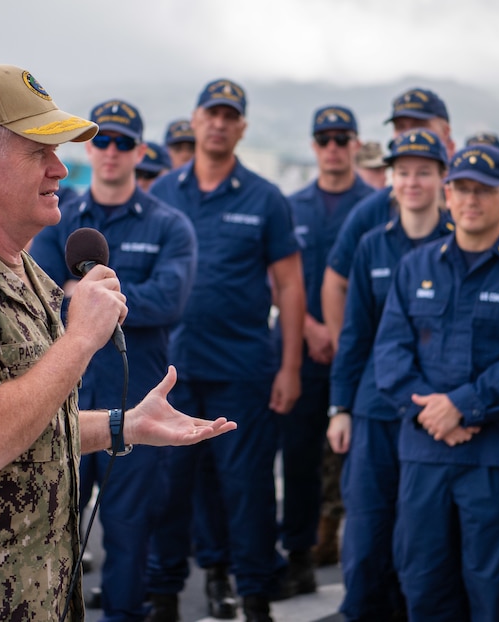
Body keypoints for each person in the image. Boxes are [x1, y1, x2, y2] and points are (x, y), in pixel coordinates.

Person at [0, 63, 235, 622]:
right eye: (39, 151)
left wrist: (123, 425)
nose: (61, 168)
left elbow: (27, 421)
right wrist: (82, 337)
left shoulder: (25, 273)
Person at [375, 145, 499, 620]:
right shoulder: (415, 268)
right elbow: (391, 353)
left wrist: (461, 405)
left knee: (496, 591)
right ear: (448, 195)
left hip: (497, 457)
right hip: (425, 453)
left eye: (484, 190)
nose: (471, 199)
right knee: (424, 584)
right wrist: (432, 414)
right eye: (461, 189)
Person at [30, 98, 197, 622]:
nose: (112, 152)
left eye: (125, 143)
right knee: (51, 526)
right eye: (103, 141)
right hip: (66, 397)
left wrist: (87, 297)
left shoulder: (170, 225)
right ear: (89, 148)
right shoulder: (59, 214)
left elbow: (170, 299)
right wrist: (118, 299)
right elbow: (36, 294)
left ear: (140, 152)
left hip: (135, 397)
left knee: (128, 530)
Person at [147, 78, 305, 622]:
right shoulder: (162, 193)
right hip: (173, 371)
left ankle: (255, 595)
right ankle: (165, 594)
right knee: (170, 490)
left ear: (241, 127)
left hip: (243, 370)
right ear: (194, 121)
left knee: (248, 490)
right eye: (209, 113)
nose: (218, 123)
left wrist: (289, 366)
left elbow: (289, 286)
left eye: (228, 115)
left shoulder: (265, 198)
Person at [327, 128, 453, 619]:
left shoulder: (458, 246)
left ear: (444, 177)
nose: (413, 181)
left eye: (424, 171)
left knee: (424, 539)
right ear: (390, 179)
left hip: (432, 414)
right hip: (374, 409)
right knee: (366, 533)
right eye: (403, 172)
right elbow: (354, 336)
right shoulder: (371, 247)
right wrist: (340, 408)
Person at [279, 105, 375, 594]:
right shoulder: (291, 206)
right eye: (325, 139)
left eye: (343, 138)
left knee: (361, 462)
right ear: (315, 147)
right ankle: (298, 553)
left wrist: (343, 335)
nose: (334, 148)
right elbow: (279, 279)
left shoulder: (377, 204)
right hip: (303, 349)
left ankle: (363, 554)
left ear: (356, 144)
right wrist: (314, 327)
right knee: (298, 459)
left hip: (356, 357)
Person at [320, 87, 453, 350]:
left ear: (445, 133)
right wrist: (345, 351)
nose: (409, 134)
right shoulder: (370, 212)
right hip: (381, 366)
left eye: (418, 125)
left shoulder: (471, 208)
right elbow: (335, 283)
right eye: (400, 126)